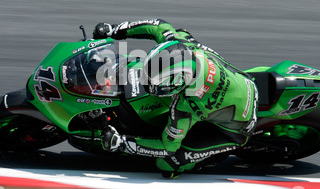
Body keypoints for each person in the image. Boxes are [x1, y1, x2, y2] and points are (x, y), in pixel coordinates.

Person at [93, 19, 258, 178]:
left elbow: (167, 148)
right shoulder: (185, 46)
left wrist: (122, 143)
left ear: (178, 83)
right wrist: (115, 30)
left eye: (153, 84)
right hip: (245, 81)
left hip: (238, 129)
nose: (146, 84)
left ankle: (200, 161)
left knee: (167, 164)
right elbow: (158, 26)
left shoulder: (188, 105)